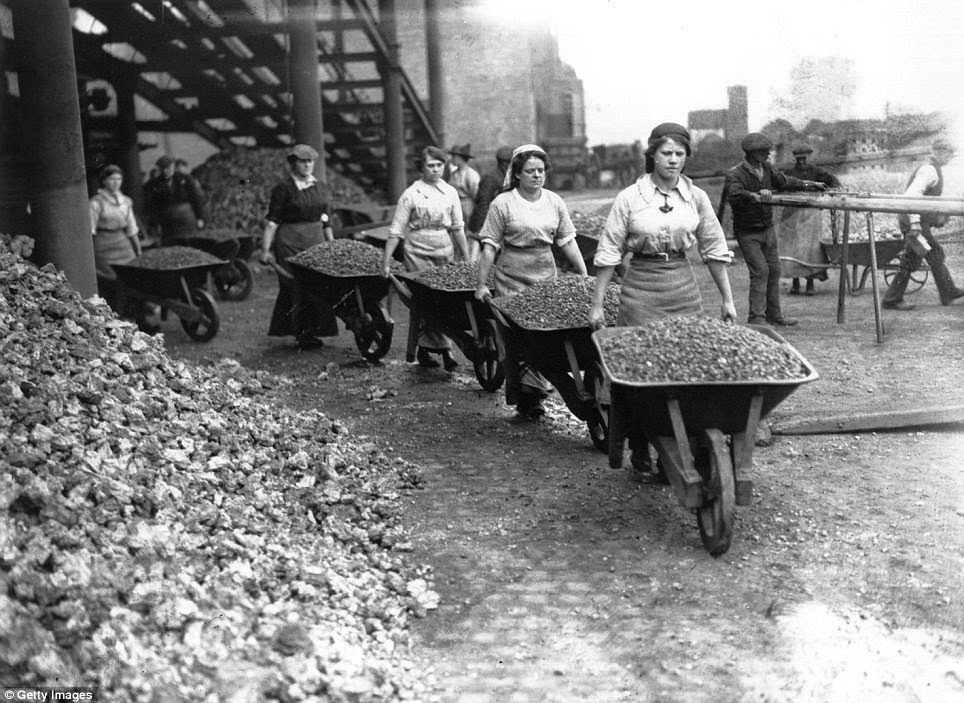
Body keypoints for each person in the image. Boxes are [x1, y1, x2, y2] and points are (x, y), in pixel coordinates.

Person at [588, 123, 736, 477]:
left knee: (688, 369)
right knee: (640, 373)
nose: (673, 160)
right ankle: (640, 444)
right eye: (666, 153)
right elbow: (608, 252)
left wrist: (728, 299)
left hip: (683, 287)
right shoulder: (630, 198)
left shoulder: (696, 197)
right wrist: (596, 304)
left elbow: (714, 249)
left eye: (680, 154)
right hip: (640, 288)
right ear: (652, 155)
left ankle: (683, 449)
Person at [474, 144, 588, 420]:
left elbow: (566, 241)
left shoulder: (554, 202)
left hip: (545, 272)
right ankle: (526, 395)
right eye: (530, 171)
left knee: (545, 334)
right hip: (512, 274)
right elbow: (489, 246)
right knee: (518, 337)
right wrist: (480, 283)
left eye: (541, 170)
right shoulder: (503, 203)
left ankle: (537, 390)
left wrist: (584, 273)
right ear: (516, 174)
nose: (537, 176)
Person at [724, 132, 828, 326]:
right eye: (764, 152)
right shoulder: (735, 174)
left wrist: (812, 184)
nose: (768, 155)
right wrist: (755, 195)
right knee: (760, 271)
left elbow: (786, 181)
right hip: (748, 232)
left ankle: (774, 315)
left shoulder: (767, 168)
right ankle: (756, 318)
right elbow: (734, 195)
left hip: (767, 229)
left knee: (774, 269)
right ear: (753, 154)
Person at [382, 145, 469, 371]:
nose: (436, 169)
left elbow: (458, 228)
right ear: (422, 167)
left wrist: (468, 258)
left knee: (446, 300)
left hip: (444, 248)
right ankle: (437, 350)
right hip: (417, 250)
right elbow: (396, 230)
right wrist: (386, 260)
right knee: (424, 300)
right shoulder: (411, 194)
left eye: (439, 165)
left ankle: (442, 348)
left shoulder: (450, 192)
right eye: (431, 165)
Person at [258, 144, 339, 349]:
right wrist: (265, 249)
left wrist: (333, 245)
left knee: (319, 287)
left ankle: (315, 331)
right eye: (302, 161)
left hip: (316, 242)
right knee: (298, 287)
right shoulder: (283, 189)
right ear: (293, 164)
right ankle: (303, 334)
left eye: (310, 161)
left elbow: (327, 219)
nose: (307, 165)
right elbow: (272, 221)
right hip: (290, 243)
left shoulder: (320, 187)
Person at [883, 137, 964, 310]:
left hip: (919, 222)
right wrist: (914, 223)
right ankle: (891, 299)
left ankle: (948, 291)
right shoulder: (929, 171)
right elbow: (911, 196)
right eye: (949, 154)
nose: (950, 159)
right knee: (913, 257)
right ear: (941, 152)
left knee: (934, 253)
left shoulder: (934, 169)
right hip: (913, 222)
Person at [88, 164, 156, 332]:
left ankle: (141, 320)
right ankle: (115, 320)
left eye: (119, 179)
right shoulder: (96, 203)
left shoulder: (125, 201)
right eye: (111, 179)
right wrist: (91, 255)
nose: (115, 183)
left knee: (135, 278)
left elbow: (132, 229)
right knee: (113, 282)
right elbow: (91, 231)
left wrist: (138, 251)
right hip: (104, 246)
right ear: (104, 181)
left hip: (123, 242)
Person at [780, 141, 841, 296]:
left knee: (811, 249)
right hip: (791, 214)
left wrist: (833, 190)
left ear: (809, 157)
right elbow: (780, 183)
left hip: (810, 215)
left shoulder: (816, 172)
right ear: (795, 158)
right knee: (793, 249)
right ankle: (795, 282)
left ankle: (810, 283)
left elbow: (833, 181)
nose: (801, 162)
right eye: (798, 159)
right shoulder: (789, 172)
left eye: (804, 159)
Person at [465, 145, 513, 261]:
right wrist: (479, 230)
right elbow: (482, 204)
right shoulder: (491, 178)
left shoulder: (506, 176)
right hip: (485, 225)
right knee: (480, 258)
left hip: (500, 224)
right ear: (505, 163)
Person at [144, 155, 206, 244]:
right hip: (168, 222)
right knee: (172, 244)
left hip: (187, 219)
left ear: (173, 166)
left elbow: (195, 198)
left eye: (167, 168)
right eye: (162, 169)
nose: (165, 171)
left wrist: (200, 218)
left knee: (191, 242)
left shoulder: (185, 178)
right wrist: (156, 223)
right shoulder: (156, 184)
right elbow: (153, 205)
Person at [445, 144, 481, 227]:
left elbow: (476, 195)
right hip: (454, 206)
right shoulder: (453, 174)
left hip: (467, 208)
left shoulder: (471, 174)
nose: (451, 159)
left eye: (453, 156)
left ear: (459, 158)